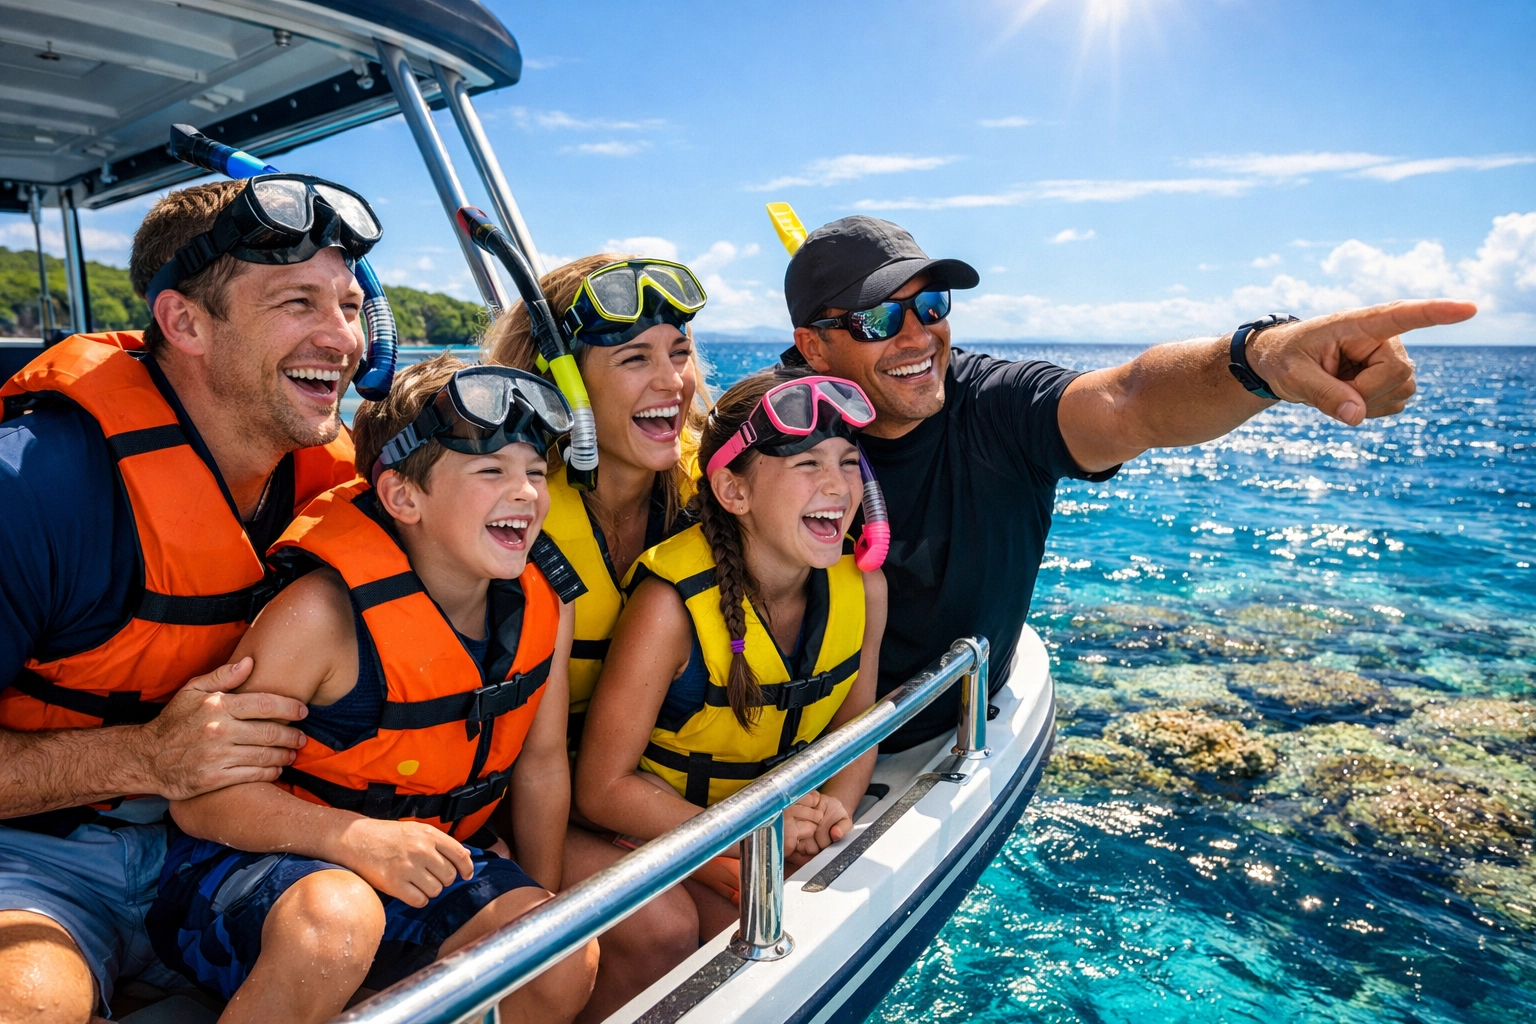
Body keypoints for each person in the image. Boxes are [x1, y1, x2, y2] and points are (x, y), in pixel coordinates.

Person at [781, 215, 1476, 752]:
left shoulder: (992, 407)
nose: (916, 335)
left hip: (928, 738)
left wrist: (1264, 359)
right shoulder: (766, 428)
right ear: (812, 347)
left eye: (931, 305)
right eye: (878, 319)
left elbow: (1131, 398)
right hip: (778, 749)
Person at [0, 178, 371, 1019]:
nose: (340, 338)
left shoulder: (347, 484)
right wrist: (144, 759)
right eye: (298, 303)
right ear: (185, 323)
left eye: (349, 306)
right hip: (32, 854)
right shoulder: (28, 491)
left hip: (229, 844)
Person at [147, 355, 598, 1024]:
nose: (528, 492)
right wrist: (355, 840)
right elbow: (202, 799)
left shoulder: (544, 605)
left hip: (423, 862)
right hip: (251, 868)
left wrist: (540, 903)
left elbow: (539, 764)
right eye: (491, 471)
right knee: (337, 921)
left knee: (558, 957)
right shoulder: (319, 618)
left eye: (535, 472)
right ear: (403, 497)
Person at [577, 368, 888, 940]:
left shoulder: (864, 587)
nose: (839, 487)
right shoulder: (668, 611)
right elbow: (601, 789)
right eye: (807, 464)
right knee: (708, 932)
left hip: (766, 832)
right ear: (734, 491)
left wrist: (831, 821)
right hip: (667, 829)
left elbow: (855, 733)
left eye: (848, 461)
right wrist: (747, 837)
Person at [484, 254, 711, 1018]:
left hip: (614, 791)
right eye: (635, 358)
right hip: (502, 800)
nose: (672, 381)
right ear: (567, 387)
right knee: (663, 923)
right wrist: (540, 908)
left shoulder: (703, 494)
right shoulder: (513, 510)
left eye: (679, 354)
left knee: (730, 918)